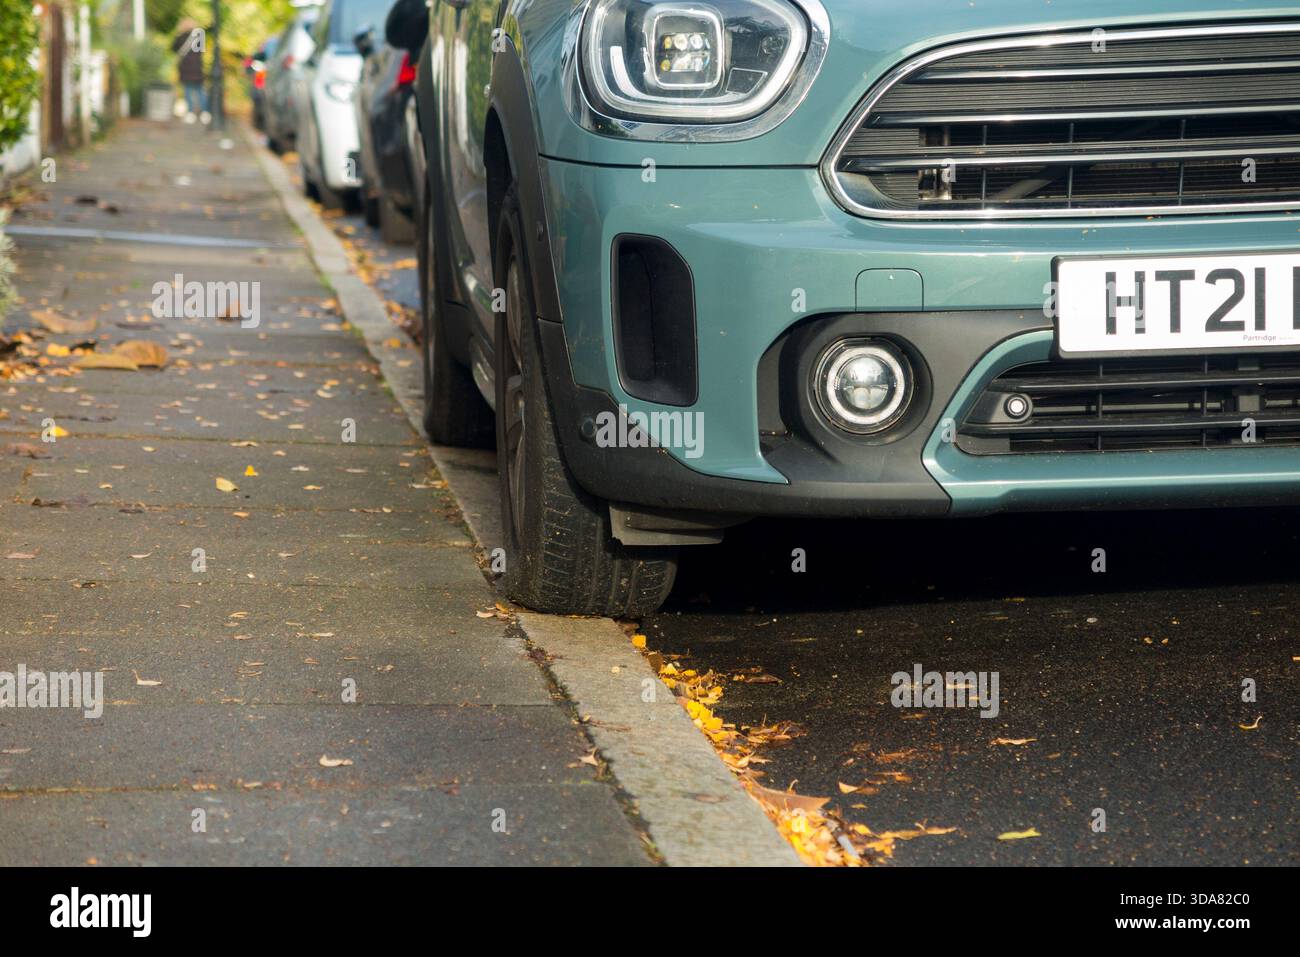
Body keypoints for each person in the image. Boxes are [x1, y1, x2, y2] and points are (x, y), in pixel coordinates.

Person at [172, 18, 210, 125]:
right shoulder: (199, 36)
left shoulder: (179, 37)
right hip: (197, 68)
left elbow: (174, 49)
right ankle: (204, 112)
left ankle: (190, 113)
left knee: (188, 91)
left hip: (185, 68)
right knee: (200, 91)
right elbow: (201, 51)